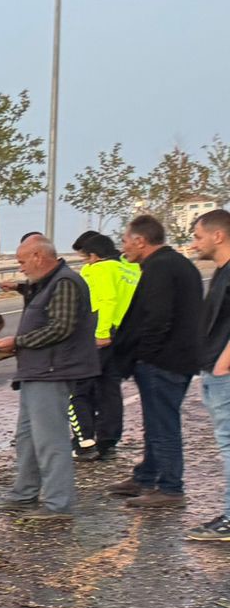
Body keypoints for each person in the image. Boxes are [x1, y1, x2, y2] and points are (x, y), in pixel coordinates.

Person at [0, 234, 99, 520]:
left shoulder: (65, 283)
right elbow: (45, 305)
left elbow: (61, 327)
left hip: (52, 372)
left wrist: (18, 342)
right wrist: (22, 288)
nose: (20, 266)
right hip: (36, 371)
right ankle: (24, 493)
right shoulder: (49, 282)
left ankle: (57, 504)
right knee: (27, 438)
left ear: (39, 257)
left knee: (51, 440)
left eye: (23, 261)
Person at [108, 213, 207, 509]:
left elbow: (157, 318)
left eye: (125, 241)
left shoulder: (161, 268)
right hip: (177, 358)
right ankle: (146, 476)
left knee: (163, 424)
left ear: (140, 240)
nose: (123, 247)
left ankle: (170, 488)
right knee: (156, 421)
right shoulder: (175, 264)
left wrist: (145, 355)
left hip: (163, 361)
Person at [67, 230, 138, 461]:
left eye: (84, 257)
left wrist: (101, 332)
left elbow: (106, 300)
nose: (84, 263)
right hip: (124, 334)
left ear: (95, 255)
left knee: (79, 389)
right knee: (109, 389)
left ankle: (84, 440)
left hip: (101, 333)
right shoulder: (130, 268)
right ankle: (107, 440)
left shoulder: (100, 269)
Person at [186, 207, 230, 542]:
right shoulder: (221, 270)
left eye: (198, 236)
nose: (194, 242)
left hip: (224, 371)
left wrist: (223, 363)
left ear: (218, 235)